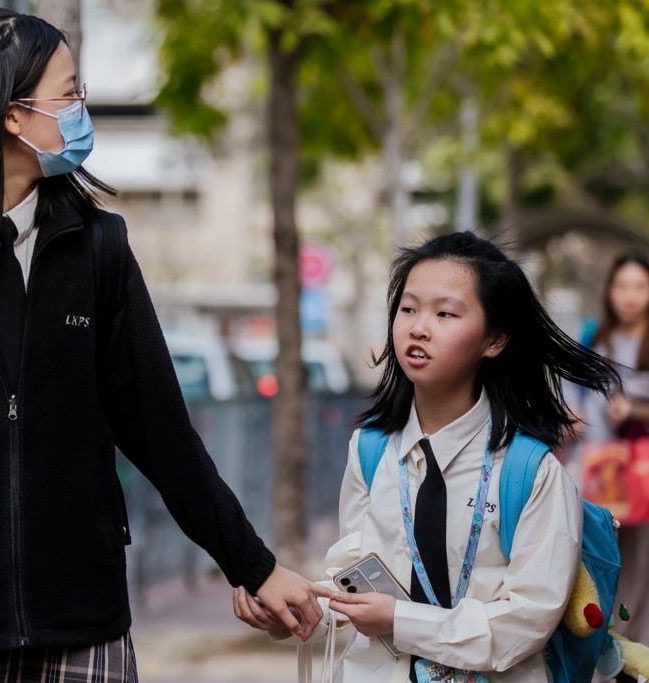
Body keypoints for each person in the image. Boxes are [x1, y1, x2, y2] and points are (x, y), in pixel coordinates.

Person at [0, 8, 327, 683]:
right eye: (68, 94)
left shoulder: (100, 251)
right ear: (12, 115)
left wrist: (254, 566)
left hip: (84, 631)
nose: (81, 108)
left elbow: (162, 432)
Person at [233, 231, 619, 681]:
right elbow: (352, 585)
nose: (418, 327)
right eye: (408, 309)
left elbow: (528, 621)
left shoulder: (531, 473)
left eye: (445, 313)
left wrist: (401, 621)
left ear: (494, 340)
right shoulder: (371, 450)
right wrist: (291, 613)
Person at [577, 252, 649, 646]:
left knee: (641, 560)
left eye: (640, 286)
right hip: (602, 464)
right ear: (609, 291)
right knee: (602, 554)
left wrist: (634, 409)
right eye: (622, 286)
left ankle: (636, 647)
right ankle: (603, 645)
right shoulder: (594, 336)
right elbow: (577, 395)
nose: (631, 296)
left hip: (643, 466)